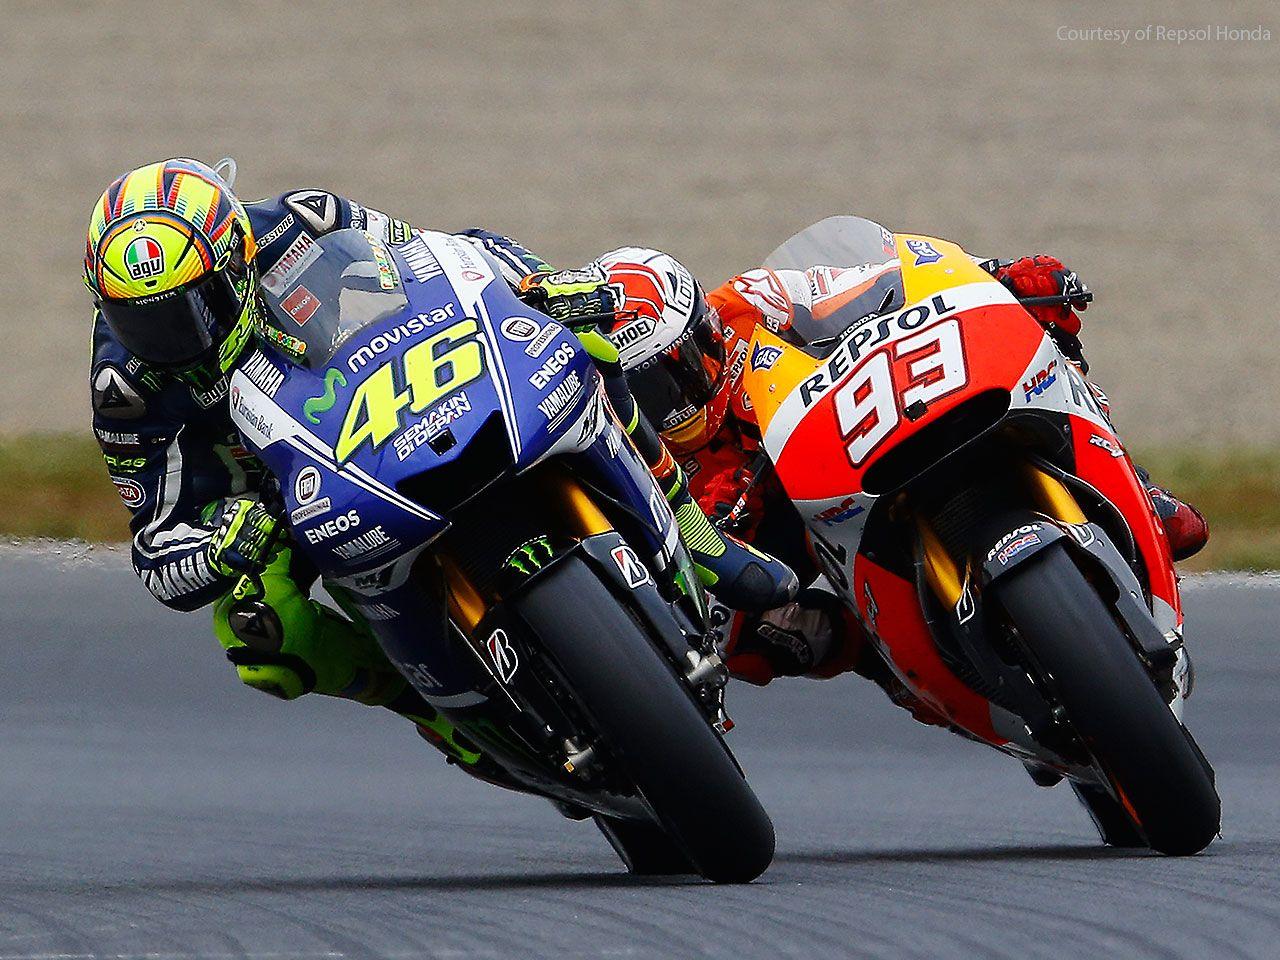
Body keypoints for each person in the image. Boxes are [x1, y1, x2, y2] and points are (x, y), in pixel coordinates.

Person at [85, 157, 796, 763]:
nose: (174, 337)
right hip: (276, 495)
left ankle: (693, 534)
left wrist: (540, 286)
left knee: (586, 346)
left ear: (236, 260)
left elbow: (442, 257)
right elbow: (156, 544)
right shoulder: (126, 387)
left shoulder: (302, 220)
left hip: (386, 397)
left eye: (193, 306)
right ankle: (431, 705)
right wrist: (218, 544)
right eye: (140, 320)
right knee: (260, 632)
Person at [582, 244, 1209, 690]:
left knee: (1036, 334)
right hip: (778, 520)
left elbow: (882, 277)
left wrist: (991, 278)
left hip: (858, 420)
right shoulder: (635, 446)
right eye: (649, 391)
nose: (676, 397)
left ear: (704, 325)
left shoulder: (749, 301)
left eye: (679, 365)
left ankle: (1135, 488)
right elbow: (664, 544)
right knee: (747, 642)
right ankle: (889, 661)